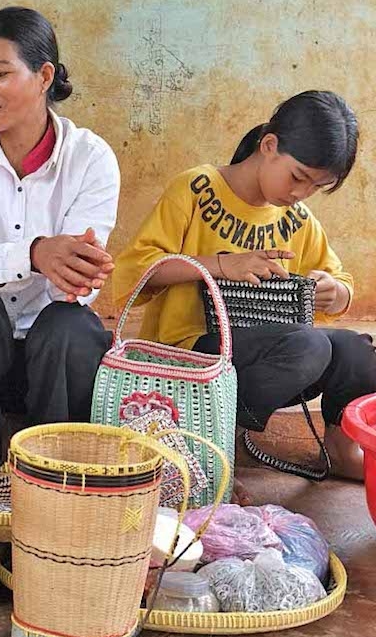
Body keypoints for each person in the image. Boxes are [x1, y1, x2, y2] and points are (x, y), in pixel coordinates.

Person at [113, 90, 370, 479]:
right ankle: (216, 445)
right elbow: (136, 272)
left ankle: (339, 449)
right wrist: (220, 265)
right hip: (190, 354)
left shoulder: (297, 219)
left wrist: (335, 291)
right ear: (269, 146)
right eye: (298, 177)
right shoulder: (196, 189)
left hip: (270, 358)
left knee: (356, 350)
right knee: (309, 345)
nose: (300, 194)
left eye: (316, 187)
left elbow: (342, 284)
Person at [0, 6, 120, 473]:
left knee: (71, 327)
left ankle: (56, 479)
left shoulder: (91, 158)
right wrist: (36, 254)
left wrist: (73, 274)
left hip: (50, 352)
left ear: (44, 76)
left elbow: (80, 281)